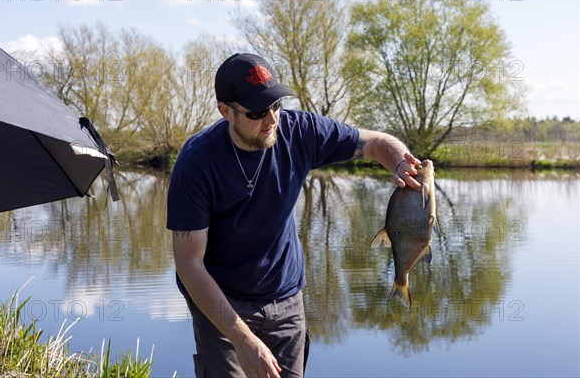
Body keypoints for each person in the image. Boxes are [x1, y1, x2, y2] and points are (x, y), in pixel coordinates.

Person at [167, 53, 421, 378]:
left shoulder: (299, 132)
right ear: (225, 111)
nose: (271, 120)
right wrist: (243, 341)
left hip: (286, 298)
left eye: (276, 105)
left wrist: (400, 162)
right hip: (221, 302)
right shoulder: (197, 163)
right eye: (258, 112)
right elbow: (189, 265)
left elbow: (377, 143)